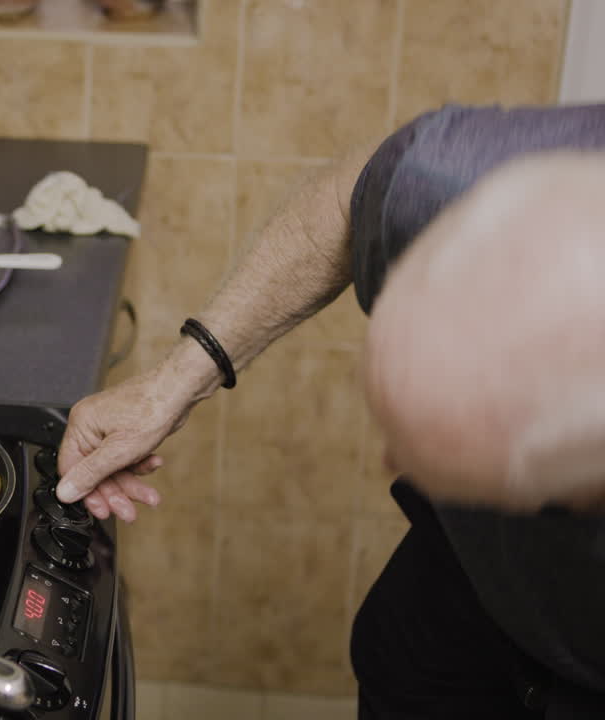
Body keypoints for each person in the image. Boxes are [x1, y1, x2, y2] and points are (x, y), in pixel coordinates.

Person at [54, 104, 605, 718]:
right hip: (469, 595)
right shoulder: (462, 177)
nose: (390, 463)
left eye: (456, 461)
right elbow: (347, 200)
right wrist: (172, 385)